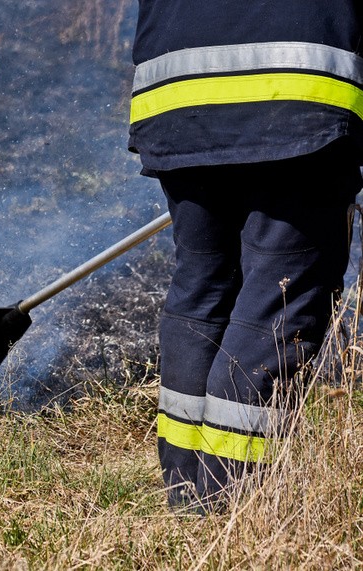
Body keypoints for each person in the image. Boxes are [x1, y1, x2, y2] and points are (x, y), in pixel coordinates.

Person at [127, 3, 363, 512]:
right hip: (296, 88)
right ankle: (230, 504)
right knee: (275, 299)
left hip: (176, 90)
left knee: (202, 286)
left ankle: (187, 496)